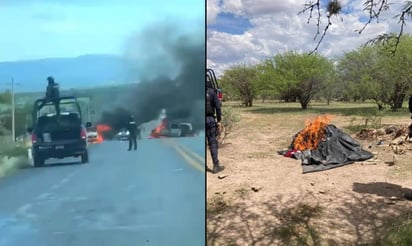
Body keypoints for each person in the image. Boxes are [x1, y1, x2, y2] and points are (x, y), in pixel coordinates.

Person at [206, 78, 224, 174]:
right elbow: (218, 108)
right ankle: (216, 166)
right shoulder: (212, 92)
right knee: (212, 142)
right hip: (209, 119)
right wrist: (219, 121)